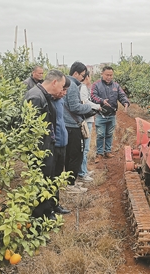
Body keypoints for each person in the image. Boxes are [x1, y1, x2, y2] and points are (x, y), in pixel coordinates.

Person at [24, 69, 68, 220]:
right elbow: (32, 129)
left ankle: (49, 209)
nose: (62, 90)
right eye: (62, 86)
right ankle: (40, 217)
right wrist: (42, 151)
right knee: (41, 181)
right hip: (41, 149)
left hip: (48, 146)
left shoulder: (42, 95)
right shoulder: (36, 97)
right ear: (54, 82)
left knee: (49, 178)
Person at [63, 61, 94, 193]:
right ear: (75, 73)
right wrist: (88, 106)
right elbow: (75, 107)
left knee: (69, 155)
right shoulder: (73, 86)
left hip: (67, 125)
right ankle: (71, 185)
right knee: (76, 155)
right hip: (72, 126)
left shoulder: (66, 83)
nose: (83, 78)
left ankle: (69, 182)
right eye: (82, 75)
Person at [91, 65, 130, 162]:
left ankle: (107, 151)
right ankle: (99, 153)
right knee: (100, 134)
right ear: (102, 74)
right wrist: (102, 101)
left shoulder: (116, 86)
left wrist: (125, 103)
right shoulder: (96, 85)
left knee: (109, 134)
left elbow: (121, 95)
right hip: (101, 114)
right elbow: (93, 96)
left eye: (111, 75)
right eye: (107, 75)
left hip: (112, 114)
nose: (109, 77)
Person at [50, 76, 72, 215]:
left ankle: (55, 204)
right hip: (54, 144)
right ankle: (48, 209)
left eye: (66, 90)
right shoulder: (49, 101)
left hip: (62, 143)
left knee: (57, 176)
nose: (64, 93)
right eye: (63, 89)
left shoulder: (60, 100)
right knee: (50, 177)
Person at [78, 71, 100, 182]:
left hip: (88, 119)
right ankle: (82, 173)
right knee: (85, 148)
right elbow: (85, 102)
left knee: (86, 147)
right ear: (87, 77)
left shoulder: (86, 88)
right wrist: (97, 106)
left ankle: (84, 170)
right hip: (86, 120)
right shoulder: (82, 88)